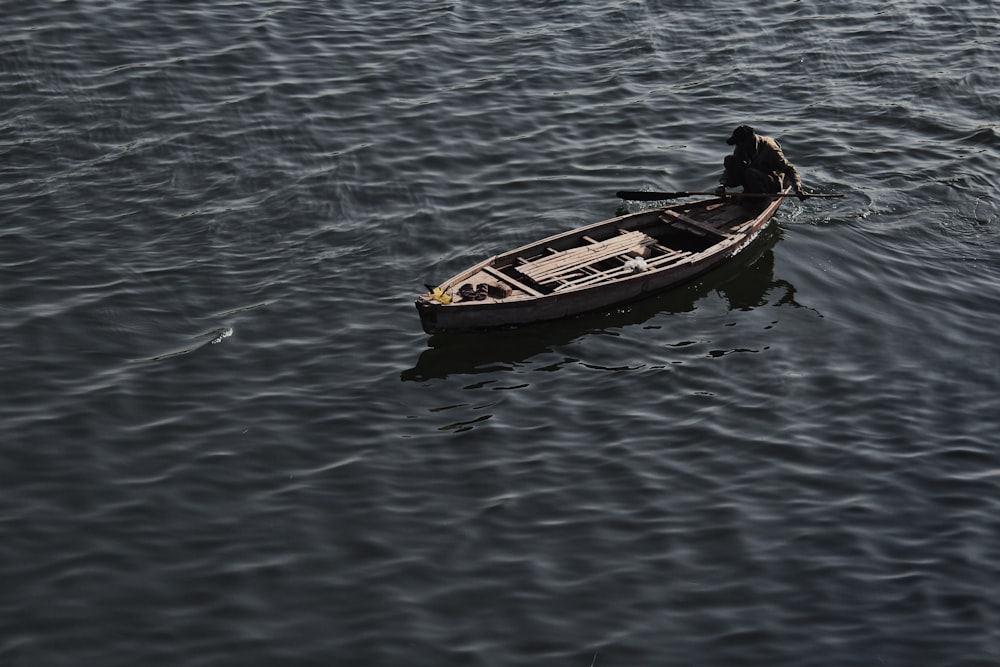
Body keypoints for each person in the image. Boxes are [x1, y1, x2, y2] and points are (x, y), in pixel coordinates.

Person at [716, 125, 807, 201]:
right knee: (730, 161)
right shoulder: (741, 147)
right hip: (754, 177)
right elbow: (731, 169)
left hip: (771, 181)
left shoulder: (770, 148)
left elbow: (790, 169)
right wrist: (722, 185)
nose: (738, 146)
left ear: (748, 141)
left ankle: (760, 200)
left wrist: (798, 189)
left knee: (750, 173)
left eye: (740, 143)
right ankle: (749, 192)